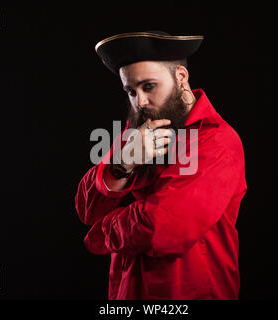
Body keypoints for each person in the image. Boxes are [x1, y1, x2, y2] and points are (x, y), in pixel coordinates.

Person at [75, 31, 247, 299]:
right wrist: (123, 162)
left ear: (181, 77)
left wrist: (101, 233)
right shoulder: (139, 132)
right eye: (131, 91)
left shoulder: (217, 141)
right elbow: (87, 208)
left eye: (149, 86)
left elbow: (163, 227)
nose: (140, 102)